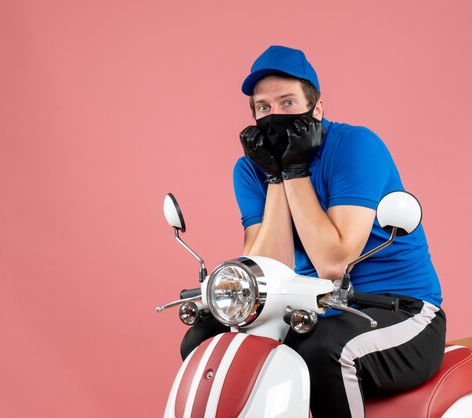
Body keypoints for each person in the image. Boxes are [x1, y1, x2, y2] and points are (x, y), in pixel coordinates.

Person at [181, 45, 446, 418]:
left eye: (288, 103)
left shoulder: (355, 146)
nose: (274, 115)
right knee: (204, 341)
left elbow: (334, 262)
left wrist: (295, 171)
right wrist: (276, 175)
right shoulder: (250, 170)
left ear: (316, 109)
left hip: (401, 312)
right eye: (264, 108)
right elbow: (268, 268)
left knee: (323, 353)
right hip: (313, 310)